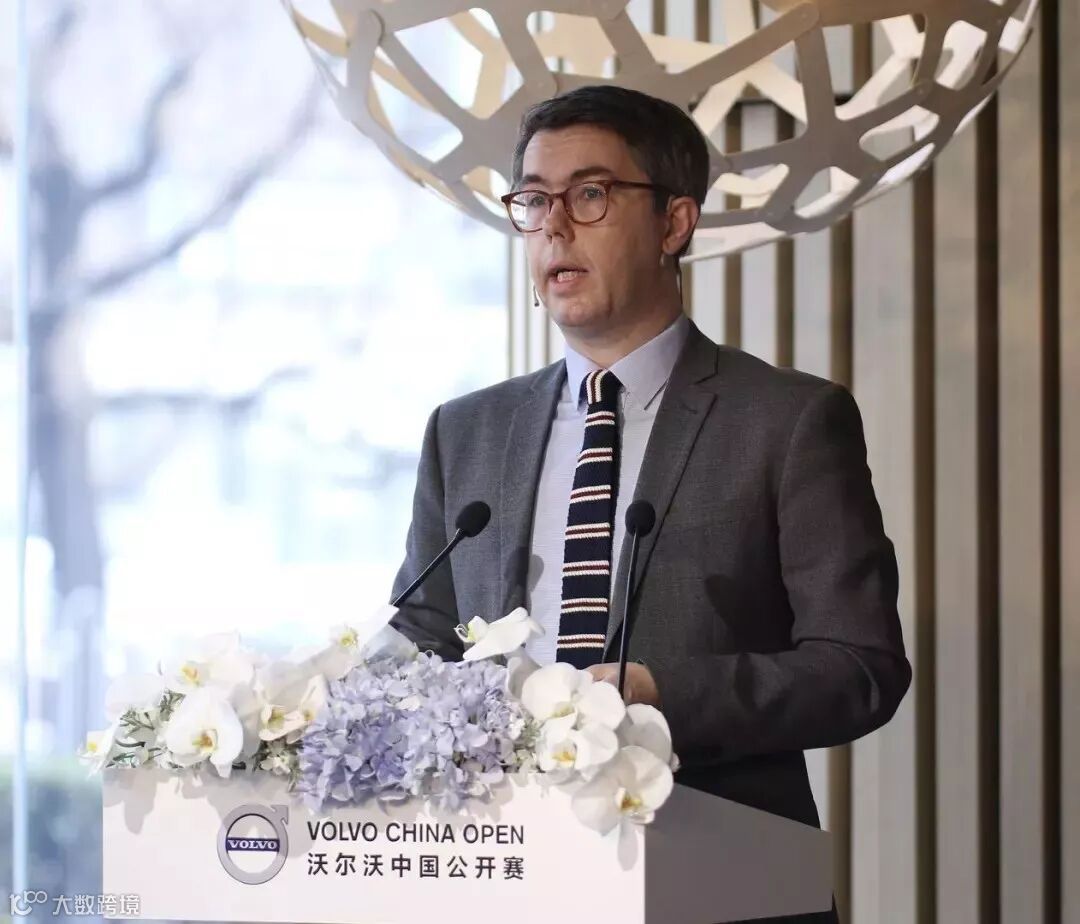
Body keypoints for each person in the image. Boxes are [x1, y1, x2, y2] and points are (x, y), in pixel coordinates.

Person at [390, 84, 911, 923]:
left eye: (590, 195)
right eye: (534, 200)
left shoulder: (787, 421)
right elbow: (422, 637)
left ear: (675, 223)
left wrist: (660, 694)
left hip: (720, 879)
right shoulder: (467, 431)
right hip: (504, 879)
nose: (554, 226)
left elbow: (860, 669)